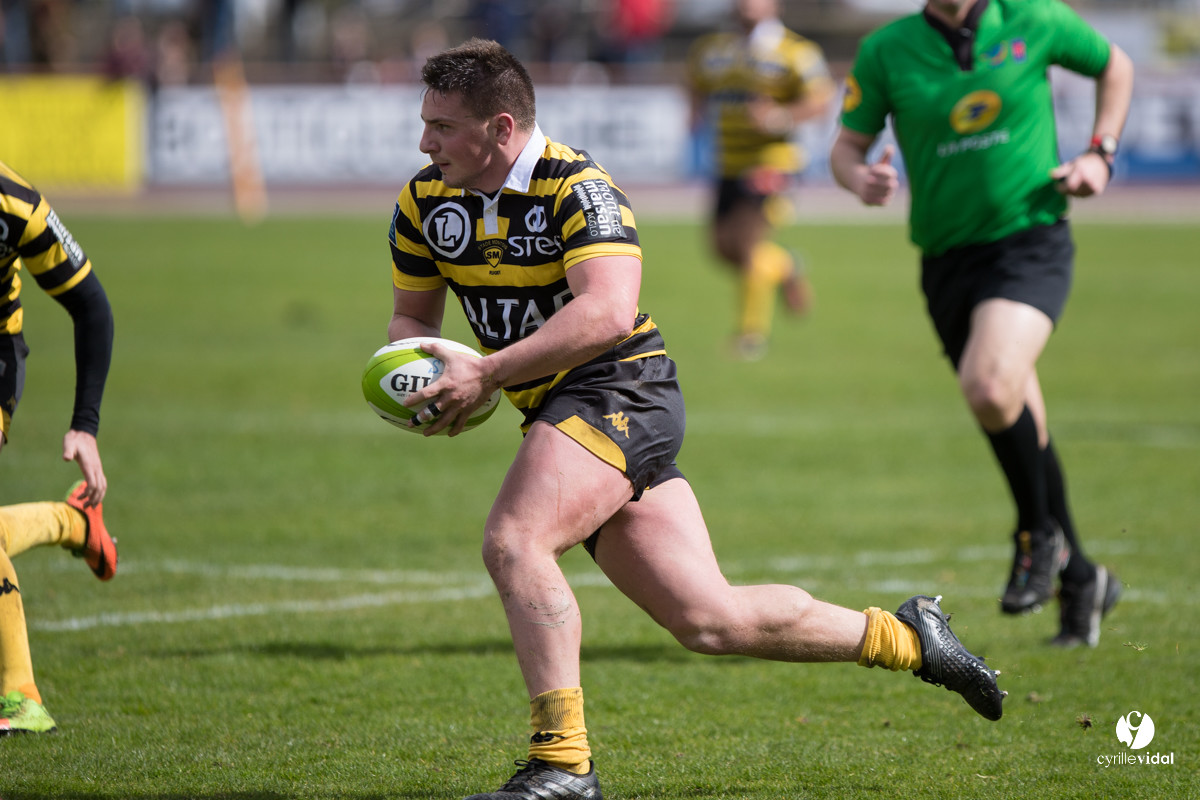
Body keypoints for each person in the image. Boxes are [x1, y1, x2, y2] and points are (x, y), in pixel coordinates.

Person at [384, 39, 1004, 799]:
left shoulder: (578, 188)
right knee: (709, 619)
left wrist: (487, 371)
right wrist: (420, 382)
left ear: (501, 128)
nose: (425, 141)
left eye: (442, 126)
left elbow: (607, 313)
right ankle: (909, 638)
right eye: (426, 124)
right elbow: (412, 319)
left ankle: (563, 765)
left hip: (622, 388)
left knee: (515, 543)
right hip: (558, 406)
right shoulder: (423, 201)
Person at [830, 0, 1133, 648]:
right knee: (1022, 417)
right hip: (945, 262)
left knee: (991, 386)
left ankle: (1034, 536)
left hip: (1030, 242)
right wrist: (862, 180)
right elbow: (846, 147)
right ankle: (1082, 579)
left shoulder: (1034, 18)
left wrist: (1100, 154)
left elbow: (1117, 67)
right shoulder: (888, 49)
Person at [0, 159, 117, 735]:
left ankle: (20, 696)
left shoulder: (14, 203)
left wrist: (84, 426)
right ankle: (72, 523)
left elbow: (91, 304)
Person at [686, 0, 835, 360]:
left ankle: (750, 337)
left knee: (750, 245)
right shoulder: (712, 49)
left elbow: (821, 100)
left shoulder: (795, 51)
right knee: (723, 248)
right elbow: (695, 84)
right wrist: (694, 114)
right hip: (728, 163)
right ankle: (785, 266)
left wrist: (780, 117)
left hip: (773, 163)